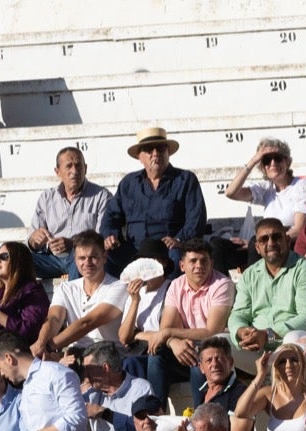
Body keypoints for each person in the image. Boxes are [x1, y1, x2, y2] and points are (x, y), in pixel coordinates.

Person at [102, 127, 208, 269]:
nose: (155, 153)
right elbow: (110, 216)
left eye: (160, 148)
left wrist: (179, 240)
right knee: (102, 257)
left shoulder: (185, 180)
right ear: (140, 156)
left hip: (168, 248)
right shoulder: (128, 183)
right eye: (149, 149)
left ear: (168, 152)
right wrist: (110, 235)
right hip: (135, 249)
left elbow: (196, 218)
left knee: (179, 258)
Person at [142, 239, 235, 400]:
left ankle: (202, 419)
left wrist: (169, 333)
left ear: (211, 263)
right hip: (187, 345)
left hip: (213, 347)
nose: (199, 265)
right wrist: (173, 342)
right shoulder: (176, 285)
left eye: (204, 260)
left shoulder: (222, 284)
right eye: (193, 261)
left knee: (198, 364)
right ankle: (156, 414)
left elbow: (212, 331)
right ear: (182, 266)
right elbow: (166, 326)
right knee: (156, 355)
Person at [35, 232, 130, 357]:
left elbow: (88, 323)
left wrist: (49, 346)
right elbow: (54, 318)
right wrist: (40, 344)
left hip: (109, 354)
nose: (87, 263)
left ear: (104, 257)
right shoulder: (65, 288)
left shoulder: (119, 286)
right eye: (82, 258)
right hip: (76, 353)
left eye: (93, 257)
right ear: (75, 260)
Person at [29, 147, 111, 280]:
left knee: (80, 254)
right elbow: (33, 242)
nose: (75, 171)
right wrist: (34, 240)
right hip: (51, 260)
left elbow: (101, 240)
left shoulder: (101, 196)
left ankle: (74, 298)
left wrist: (73, 244)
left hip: (83, 259)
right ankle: (6, 300)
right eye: (69, 166)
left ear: (85, 168)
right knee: (9, 257)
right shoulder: (47, 198)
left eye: (79, 166)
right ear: (57, 171)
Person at [226, 139, 306, 242]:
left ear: (287, 162)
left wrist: (262, 243)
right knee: (219, 244)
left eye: (277, 158)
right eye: (267, 160)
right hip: (269, 244)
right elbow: (230, 193)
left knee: (253, 244)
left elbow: (299, 230)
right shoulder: (266, 188)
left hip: (290, 245)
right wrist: (253, 161)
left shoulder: (301, 185)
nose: (273, 163)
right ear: (262, 167)